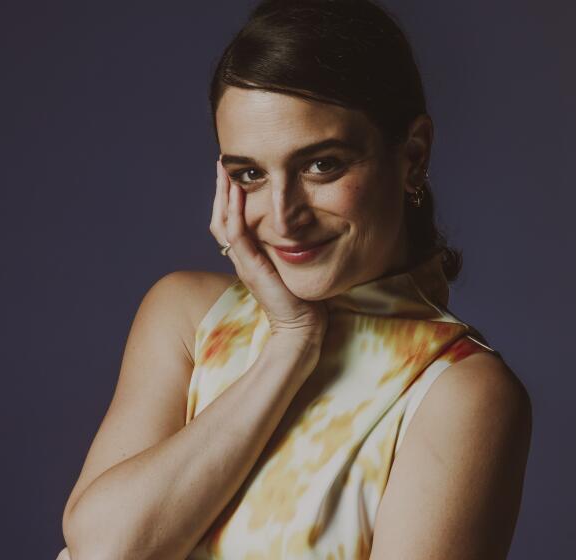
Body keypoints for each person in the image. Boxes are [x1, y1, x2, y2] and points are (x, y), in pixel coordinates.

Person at [58, 0, 532, 558]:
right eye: (250, 174)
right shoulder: (187, 317)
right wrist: (291, 343)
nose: (283, 217)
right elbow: (103, 547)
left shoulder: (459, 391)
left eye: (322, 164)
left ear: (412, 156)